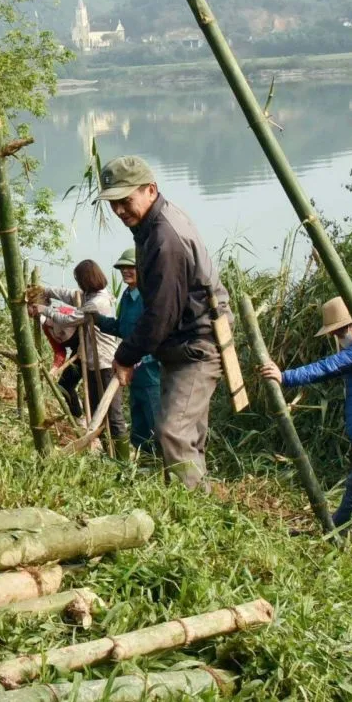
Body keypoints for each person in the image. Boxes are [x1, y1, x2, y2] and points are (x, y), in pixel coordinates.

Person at [88, 156, 224, 489]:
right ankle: (193, 507)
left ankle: (193, 516)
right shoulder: (149, 223)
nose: (119, 210)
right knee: (186, 436)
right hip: (180, 345)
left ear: (150, 190)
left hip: (197, 345)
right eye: (114, 203)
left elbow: (161, 314)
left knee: (173, 433)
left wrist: (125, 355)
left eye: (125, 200)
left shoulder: (165, 239)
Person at [256, 296, 352, 537]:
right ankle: (345, 533)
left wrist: (285, 376)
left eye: (339, 332)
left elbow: (329, 366)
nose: (337, 338)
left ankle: (334, 534)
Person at [34, 259, 125, 447]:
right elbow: (69, 294)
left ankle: (120, 455)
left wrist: (45, 310)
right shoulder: (89, 295)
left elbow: (69, 319)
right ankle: (104, 450)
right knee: (93, 407)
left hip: (105, 361)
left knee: (112, 412)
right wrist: (46, 291)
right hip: (91, 361)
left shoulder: (97, 302)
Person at [114, 248, 161, 454]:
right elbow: (122, 328)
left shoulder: (149, 296)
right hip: (133, 374)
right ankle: (144, 469)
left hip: (151, 371)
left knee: (156, 423)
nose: (126, 271)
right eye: (122, 267)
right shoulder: (126, 296)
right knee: (139, 426)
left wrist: (142, 359)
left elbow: (155, 334)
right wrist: (97, 320)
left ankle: (166, 470)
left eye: (130, 267)